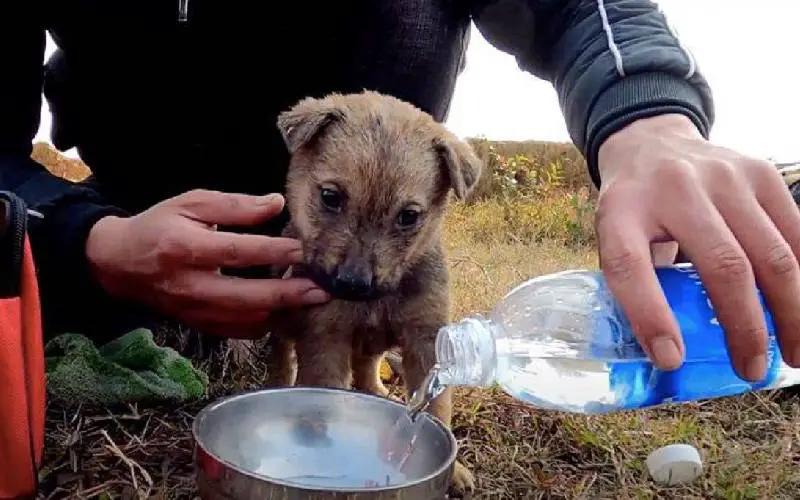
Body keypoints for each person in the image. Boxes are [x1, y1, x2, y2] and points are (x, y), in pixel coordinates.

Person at [2, 1, 799, 383]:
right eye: (335, 201)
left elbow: (574, 8)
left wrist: (648, 117)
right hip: (125, 218)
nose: (355, 260)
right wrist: (82, 240)